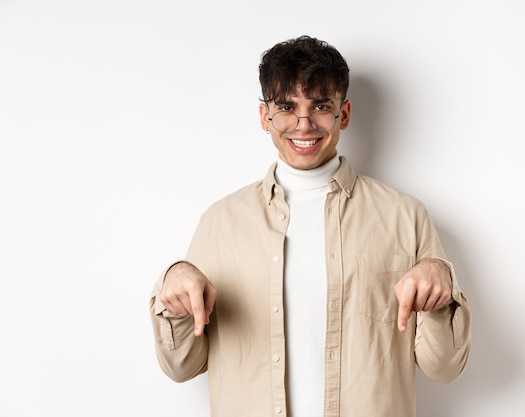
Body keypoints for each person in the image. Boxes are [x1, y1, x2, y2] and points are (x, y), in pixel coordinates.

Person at [149, 35, 471, 417]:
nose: (304, 125)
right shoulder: (220, 222)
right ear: (264, 116)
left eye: (321, 106)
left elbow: (445, 367)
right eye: (286, 107)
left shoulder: (405, 216)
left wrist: (441, 290)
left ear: (344, 114)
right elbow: (181, 366)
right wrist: (174, 292)